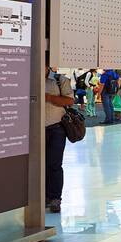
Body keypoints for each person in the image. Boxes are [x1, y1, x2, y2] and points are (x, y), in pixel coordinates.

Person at [44, 63, 75, 214]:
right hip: (35, 130)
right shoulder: (28, 79)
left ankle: (55, 198)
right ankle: (42, 197)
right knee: (39, 165)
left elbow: (69, 101)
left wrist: (49, 98)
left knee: (54, 164)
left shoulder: (60, 80)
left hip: (57, 128)